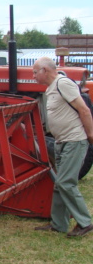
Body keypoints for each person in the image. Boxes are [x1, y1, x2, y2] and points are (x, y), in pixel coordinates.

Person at [33, 57, 93, 237]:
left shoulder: (63, 84)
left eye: (35, 72)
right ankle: (59, 223)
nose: (34, 76)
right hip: (61, 141)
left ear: (45, 70)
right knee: (59, 184)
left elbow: (84, 110)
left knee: (66, 182)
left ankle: (85, 222)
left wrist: (90, 135)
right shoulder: (51, 88)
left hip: (74, 140)